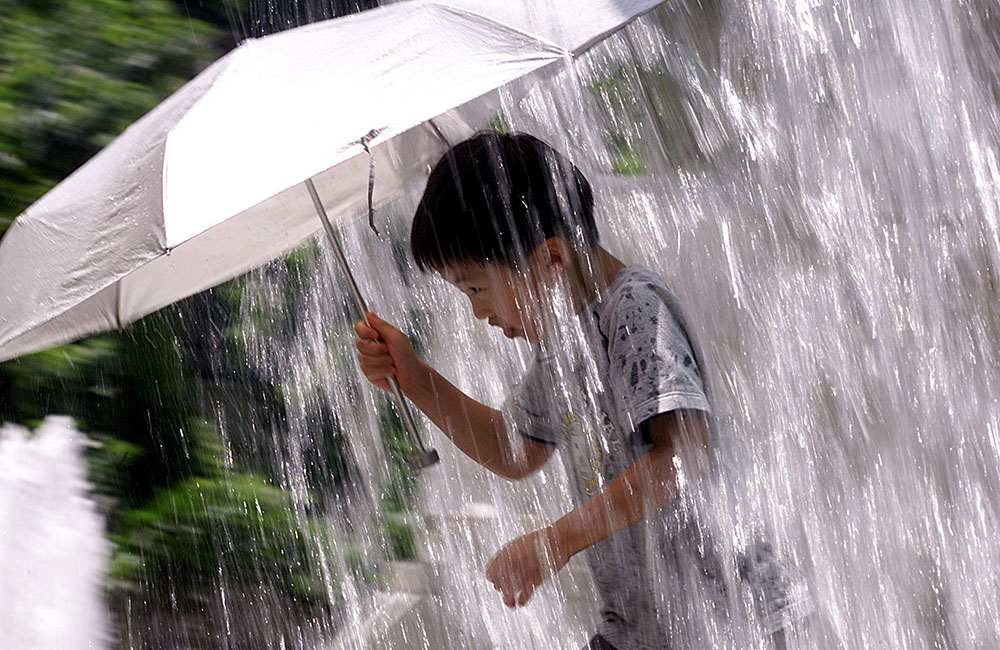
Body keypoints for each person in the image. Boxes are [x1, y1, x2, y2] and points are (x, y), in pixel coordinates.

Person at [354, 132, 808, 649]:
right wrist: (417, 381)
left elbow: (684, 453)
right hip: (644, 630)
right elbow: (516, 449)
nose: (477, 313)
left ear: (550, 259)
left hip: (728, 619)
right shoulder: (566, 341)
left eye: (476, 287)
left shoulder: (634, 311)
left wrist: (556, 542)